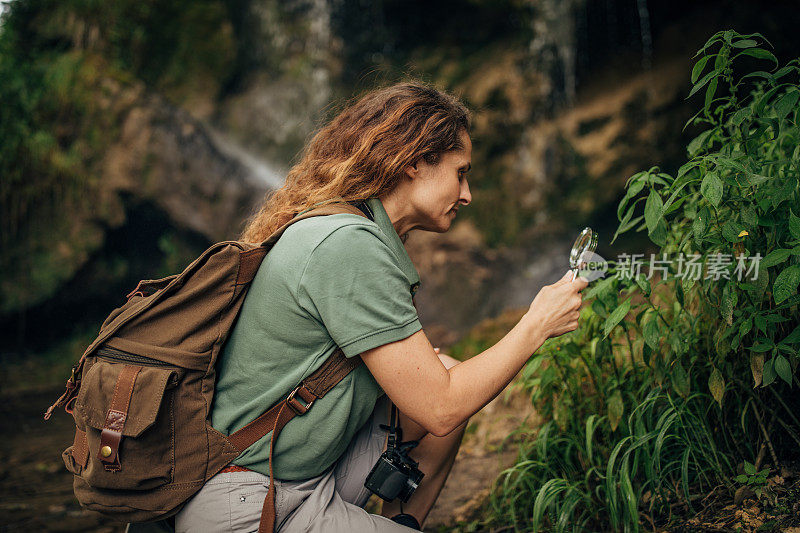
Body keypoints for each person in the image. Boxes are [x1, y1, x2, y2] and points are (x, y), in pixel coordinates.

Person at [172, 82, 588, 532]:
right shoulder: (349, 247)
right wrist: (537, 324)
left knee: (440, 369)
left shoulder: (352, 226)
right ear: (415, 162)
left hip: (299, 476)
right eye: (460, 172)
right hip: (245, 501)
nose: (467, 194)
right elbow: (441, 407)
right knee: (442, 398)